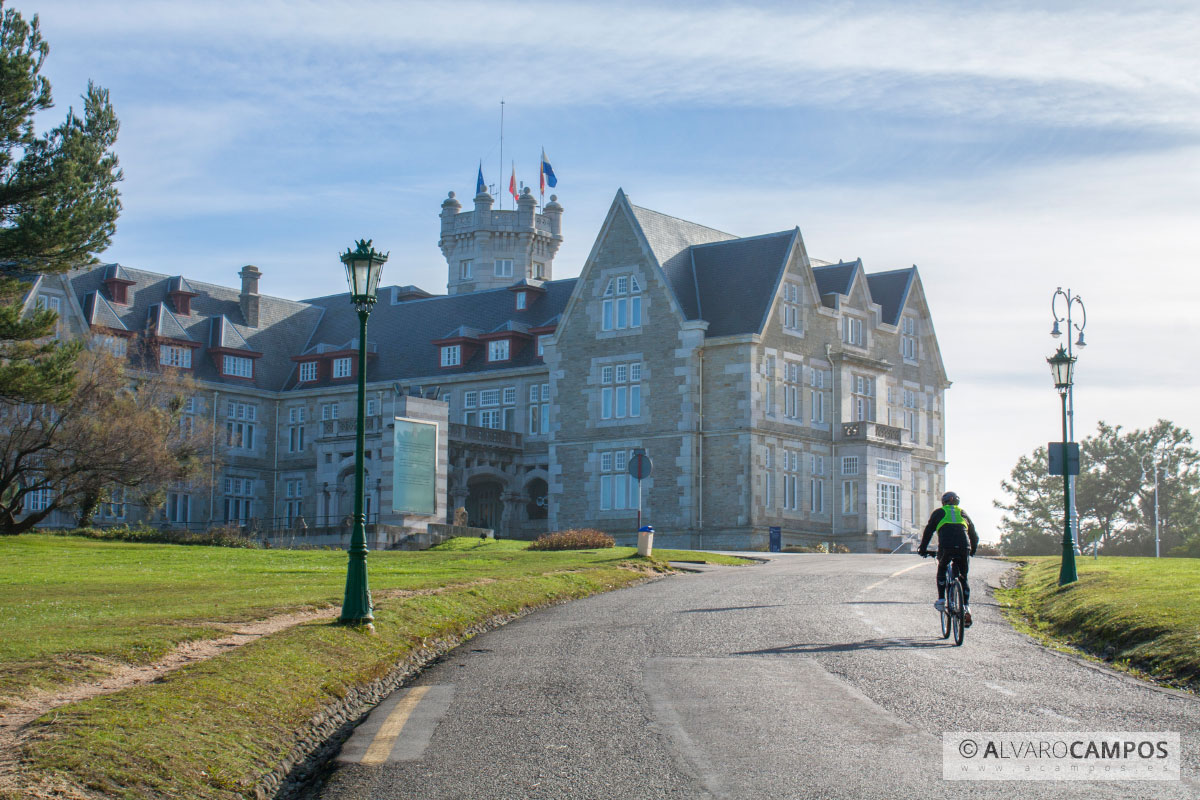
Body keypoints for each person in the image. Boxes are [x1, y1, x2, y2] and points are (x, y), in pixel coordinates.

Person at [918, 491, 979, 626]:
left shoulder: (939, 512)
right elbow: (973, 533)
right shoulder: (963, 512)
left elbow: (928, 532)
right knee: (963, 577)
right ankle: (966, 607)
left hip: (946, 545)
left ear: (943, 503)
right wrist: (973, 549)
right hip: (964, 546)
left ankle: (941, 600)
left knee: (942, 567)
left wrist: (922, 549)